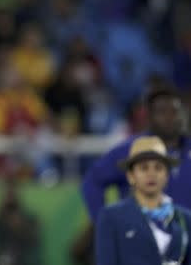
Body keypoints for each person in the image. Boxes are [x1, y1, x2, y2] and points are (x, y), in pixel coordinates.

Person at [82, 85, 191, 222]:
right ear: (150, 117)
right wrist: (104, 223)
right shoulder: (131, 150)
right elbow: (93, 181)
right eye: (162, 111)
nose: (170, 117)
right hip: (142, 239)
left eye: (175, 111)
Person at [95, 136, 191, 265]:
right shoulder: (111, 217)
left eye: (158, 167)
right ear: (130, 176)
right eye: (144, 167)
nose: (151, 173)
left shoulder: (184, 218)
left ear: (167, 175)